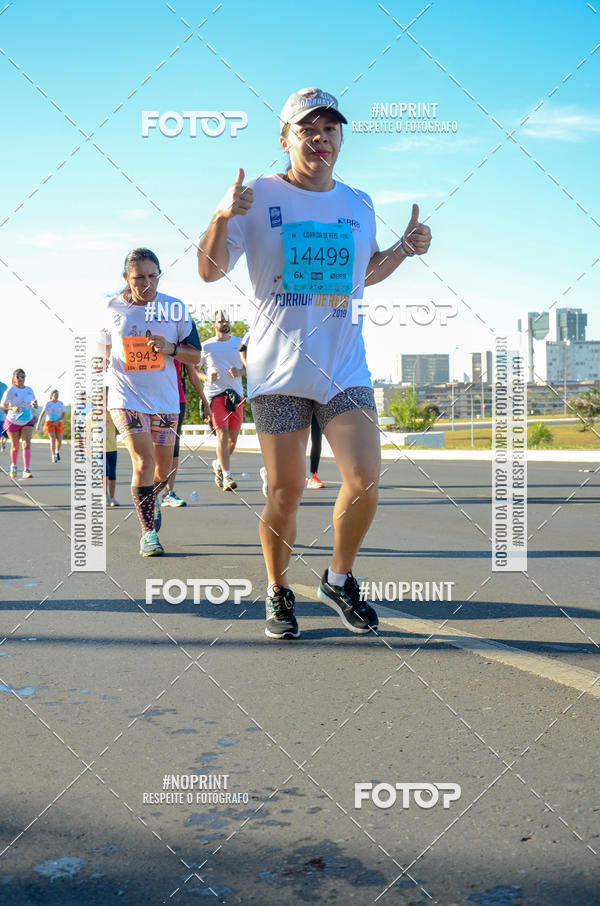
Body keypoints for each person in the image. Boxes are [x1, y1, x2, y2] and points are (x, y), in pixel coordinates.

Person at [198, 87, 431, 639]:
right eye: (307, 128)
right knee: (285, 492)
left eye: (329, 128)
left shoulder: (358, 202)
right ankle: (278, 590)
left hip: (343, 365)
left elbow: (362, 274)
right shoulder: (256, 196)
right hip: (279, 373)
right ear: (285, 139)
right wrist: (219, 214)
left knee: (365, 478)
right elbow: (209, 270)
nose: (319, 136)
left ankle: (338, 577)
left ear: (340, 139)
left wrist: (402, 249)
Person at [102, 248, 202, 556]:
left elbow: (195, 355)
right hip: (125, 396)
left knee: (162, 471)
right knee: (142, 462)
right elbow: (101, 352)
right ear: (126, 278)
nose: (146, 283)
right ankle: (148, 534)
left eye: (152, 276)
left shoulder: (174, 309)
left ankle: (152, 498)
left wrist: (169, 348)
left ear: (160, 275)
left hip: (165, 400)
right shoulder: (111, 308)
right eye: (139, 277)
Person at [195, 310, 246, 492]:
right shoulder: (206, 346)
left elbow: (252, 367)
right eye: (221, 321)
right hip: (216, 395)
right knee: (222, 435)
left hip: (236, 395)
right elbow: (195, 370)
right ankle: (227, 476)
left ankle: (218, 464)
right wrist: (207, 378)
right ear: (213, 325)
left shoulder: (239, 343)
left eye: (227, 320)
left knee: (232, 440)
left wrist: (240, 372)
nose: (225, 323)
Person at [160, 359, 210, 507]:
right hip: (152, 400)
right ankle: (151, 493)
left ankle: (168, 493)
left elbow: (193, 376)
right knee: (154, 449)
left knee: (173, 448)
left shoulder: (180, 342)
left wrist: (205, 402)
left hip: (176, 399)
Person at [1, 369, 38, 479]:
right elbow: (3, 405)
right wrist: (12, 407)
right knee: (15, 446)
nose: (21, 379)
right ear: (14, 377)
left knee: (26, 443)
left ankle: (26, 469)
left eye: (23, 376)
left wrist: (35, 404)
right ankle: (14, 465)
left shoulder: (29, 390)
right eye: (18, 376)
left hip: (27, 419)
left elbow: (33, 401)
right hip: (13, 420)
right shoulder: (10, 390)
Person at [36, 389, 66, 462]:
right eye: (55, 395)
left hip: (58, 422)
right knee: (52, 439)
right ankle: (53, 456)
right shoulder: (48, 403)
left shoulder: (60, 403)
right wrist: (38, 424)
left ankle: (57, 451)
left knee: (59, 439)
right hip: (49, 422)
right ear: (52, 395)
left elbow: (63, 414)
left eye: (57, 395)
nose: (56, 396)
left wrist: (58, 420)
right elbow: (42, 414)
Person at [306, 414, 325, 489]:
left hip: (316, 406)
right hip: (300, 405)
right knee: (295, 439)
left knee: (317, 439)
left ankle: (313, 476)